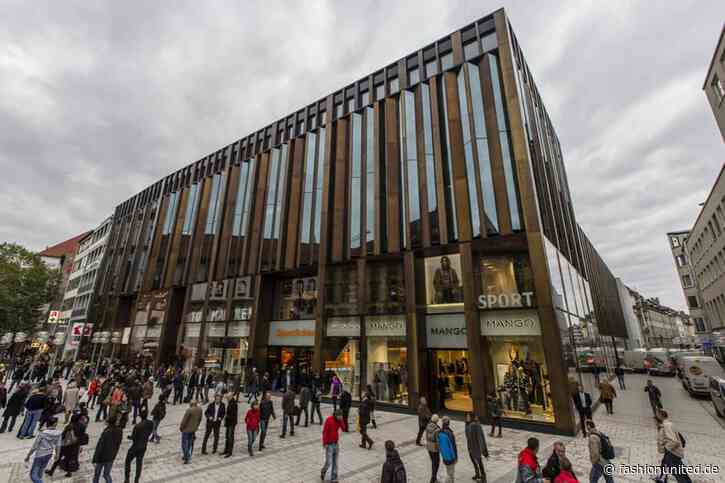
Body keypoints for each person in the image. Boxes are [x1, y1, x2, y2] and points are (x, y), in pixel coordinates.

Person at [657, 410, 692, 483]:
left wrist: (666, 448)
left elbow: (674, 441)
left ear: (660, 416)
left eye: (658, 414)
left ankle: (662, 478)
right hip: (673, 452)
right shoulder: (668, 424)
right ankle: (661, 478)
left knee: (677, 472)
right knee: (675, 469)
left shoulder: (667, 425)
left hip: (672, 453)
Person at [25, 416, 62, 483]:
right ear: (55, 424)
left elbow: (35, 446)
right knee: (41, 470)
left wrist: (28, 455)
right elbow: (58, 445)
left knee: (33, 475)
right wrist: (57, 455)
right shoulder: (59, 433)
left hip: (40, 454)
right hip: (49, 454)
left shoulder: (42, 433)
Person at [45, 413, 83, 478]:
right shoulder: (81, 426)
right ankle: (69, 472)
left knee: (58, 459)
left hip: (66, 446)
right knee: (68, 459)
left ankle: (51, 471)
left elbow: (63, 436)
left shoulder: (69, 426)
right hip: (74, 446)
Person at [124, 409, 154, 483]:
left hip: (135, 447)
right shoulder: (151, 423)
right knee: (139, 463)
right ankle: (136, 480)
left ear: (140, 416)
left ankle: (127, 479)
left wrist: (129, 437)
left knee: (128, 461)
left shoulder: (137, 426)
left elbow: (133, 437)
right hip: (143, 446)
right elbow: (150, 432)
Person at [92, 416, 123, 483]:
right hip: (111, 456)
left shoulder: (106, 432)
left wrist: (95, 459)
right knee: (106, 474)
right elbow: (118, 443)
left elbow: (100, 446)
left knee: (97, 474)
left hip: (102, 457)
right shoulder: (120, 431)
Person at [465, 413, 489, 482]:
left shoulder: (476, 425)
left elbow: (481, 439)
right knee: (474, 461)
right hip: (470, 447)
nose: (467, 418)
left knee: (479, 462)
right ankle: (477, 474)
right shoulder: (467, 424)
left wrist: (484, 451)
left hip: (476, 448)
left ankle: (483, 478)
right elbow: (468, 437)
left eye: (468, 417)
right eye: (466, 416)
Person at [321, 409, 343, 483]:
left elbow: (344, 428)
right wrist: (325, 443)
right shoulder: (329, 420)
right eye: (339, 416)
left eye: (341, 416)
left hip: (336, 444)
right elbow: (324, 432)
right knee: (329, 462)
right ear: (335, 415)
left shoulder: (339, 421)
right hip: (329, 445)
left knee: (335, 462)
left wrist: (341, 421)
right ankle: (323, 471)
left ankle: (333, 478)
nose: (340, 417)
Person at [438, 417, 458, 483]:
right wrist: (455, 457)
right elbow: (452, 446)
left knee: (449, 472)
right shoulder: (449, 433)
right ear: (448, 423)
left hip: (444, 456)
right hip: (450, 457)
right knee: (450, 474)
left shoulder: (440, 432)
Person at [425, 414, 442, 483]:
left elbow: (426, 436)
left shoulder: (428, 426)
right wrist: (440, 449)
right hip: (435, 448)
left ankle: (434, 478)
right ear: (437, 420)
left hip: (429, 447)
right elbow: (438, 441)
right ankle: (433, 478)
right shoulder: (437, 429)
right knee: (436, 463)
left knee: (433, 462)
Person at [222, 393, 238, 457]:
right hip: (229, 422)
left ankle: (229, 452)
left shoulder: (233, 404)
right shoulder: (230, 402)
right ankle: (226, 450)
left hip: (231, 423)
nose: (227, 399)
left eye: (227, 397)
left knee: (230, 437)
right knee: (227, 437)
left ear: (231, 397)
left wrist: (226, 416)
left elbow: (233, 414)